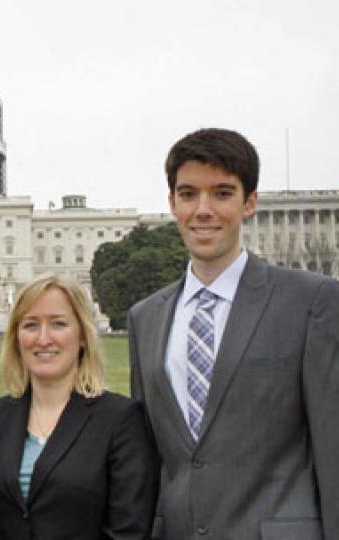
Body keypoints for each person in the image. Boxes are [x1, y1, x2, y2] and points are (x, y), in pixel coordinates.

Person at [128, 128, 339, 539]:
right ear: (172, 203)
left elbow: (333, 448)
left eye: (222, 193)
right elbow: (151, 458)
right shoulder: (145, 318)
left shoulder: (312, 301)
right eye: (188, 194)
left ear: (250, 203)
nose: (203, 210)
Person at [0, 275, 157, 540]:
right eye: (30, 325)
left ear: (83, 336)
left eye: (58, 324)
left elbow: (128, 529)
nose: (43, 339)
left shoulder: (120, 419)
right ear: (16, 338)